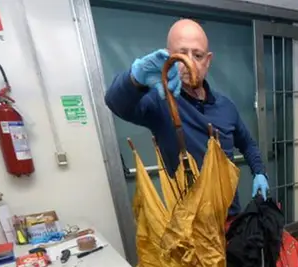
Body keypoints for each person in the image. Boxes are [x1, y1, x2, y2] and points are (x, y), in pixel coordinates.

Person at [104, 18, 269, 218]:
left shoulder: (226, 106)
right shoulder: (161, 101)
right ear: (169, 57)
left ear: (207, 61)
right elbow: (116, 103)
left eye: (197, 55)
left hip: (229, 217)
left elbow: (248, 144)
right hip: (187, 228)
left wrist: (259, 172)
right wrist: (135, 78)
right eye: (181, 54)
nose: (189, 62)